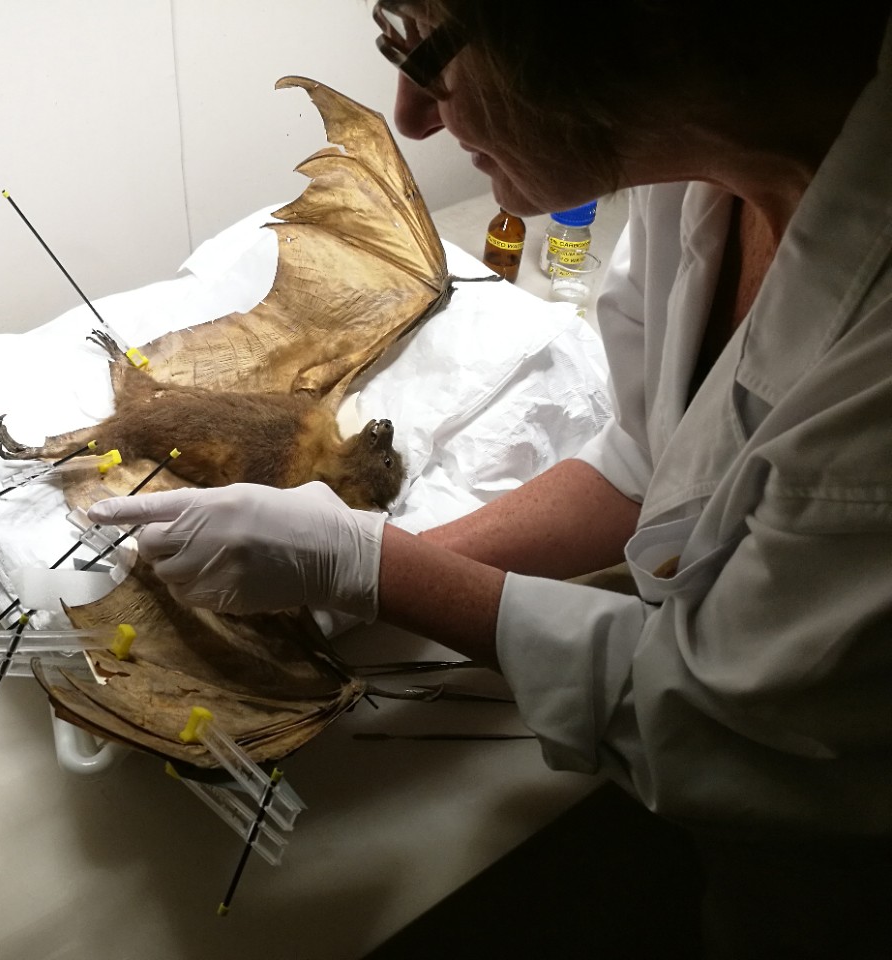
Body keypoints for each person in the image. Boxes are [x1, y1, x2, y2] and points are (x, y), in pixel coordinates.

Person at [89, 1, 892, 951]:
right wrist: (356, 576)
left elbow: (720, 722)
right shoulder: (700, 174)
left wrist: (372, 567)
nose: (413, 114)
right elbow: (651, 465)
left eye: (420, 47)